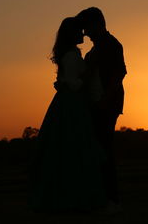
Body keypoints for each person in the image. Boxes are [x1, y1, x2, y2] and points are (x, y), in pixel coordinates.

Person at [28, 17, 107, 213]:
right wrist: (89, 74)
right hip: (72, 106)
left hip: (69, 104)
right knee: (74, 147)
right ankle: (74, 197)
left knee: (68, 148)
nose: (83, 34)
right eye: (79, 31)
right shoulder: (72, 56)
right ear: (71, 34)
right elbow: (74, 84)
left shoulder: (71, 54)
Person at [76, 7, 127, 211]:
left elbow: (119, 73)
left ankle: (111, 199)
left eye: (86, 27)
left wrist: (105, 101)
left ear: (97, 24)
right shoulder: (98, 47)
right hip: (99, 103)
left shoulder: (111, 44)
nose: (85, 32)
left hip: (105, 104)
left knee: (104, 150)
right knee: (99, 150)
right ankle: (102, 196)